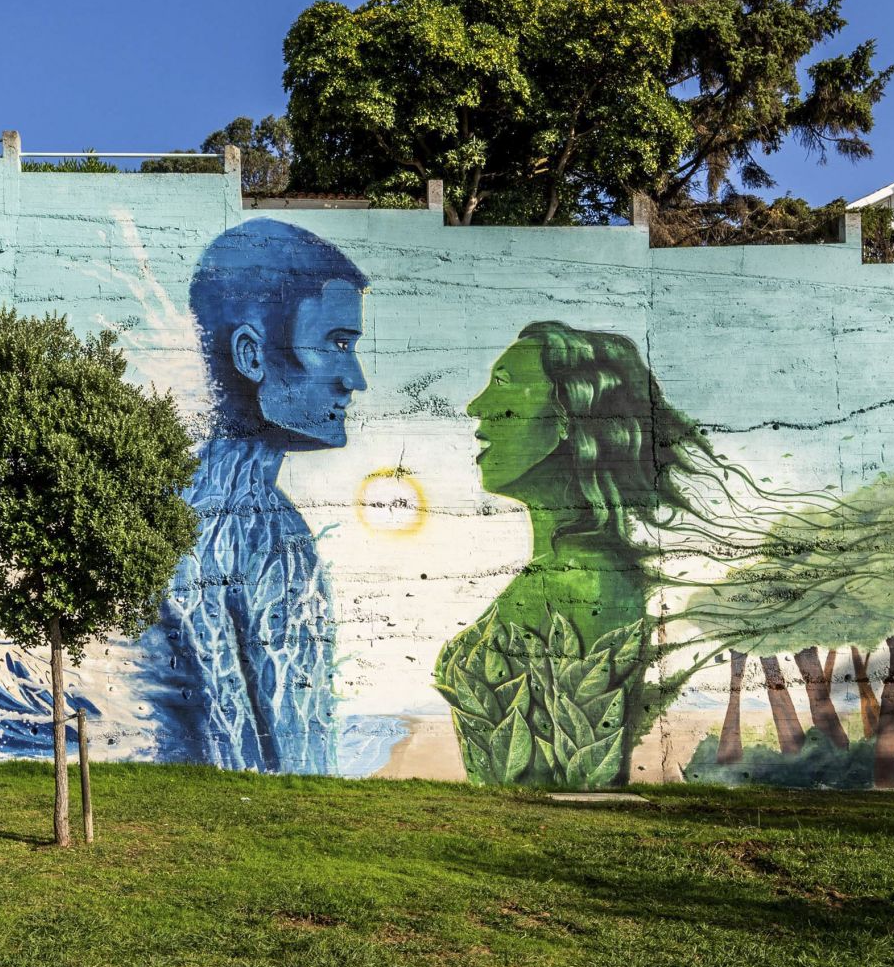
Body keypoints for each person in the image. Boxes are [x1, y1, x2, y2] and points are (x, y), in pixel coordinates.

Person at [436, 321, 731, 787]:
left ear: (569, 418)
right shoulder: (563, 574)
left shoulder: (583, 581)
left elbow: (581, 775)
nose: (478, 406)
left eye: (504, 384)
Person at [150, 219, 367, 773]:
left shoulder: (181, 507)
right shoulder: (264, 532)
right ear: (251, 356)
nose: (355, 378)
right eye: (337, 344)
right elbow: (300, 756)